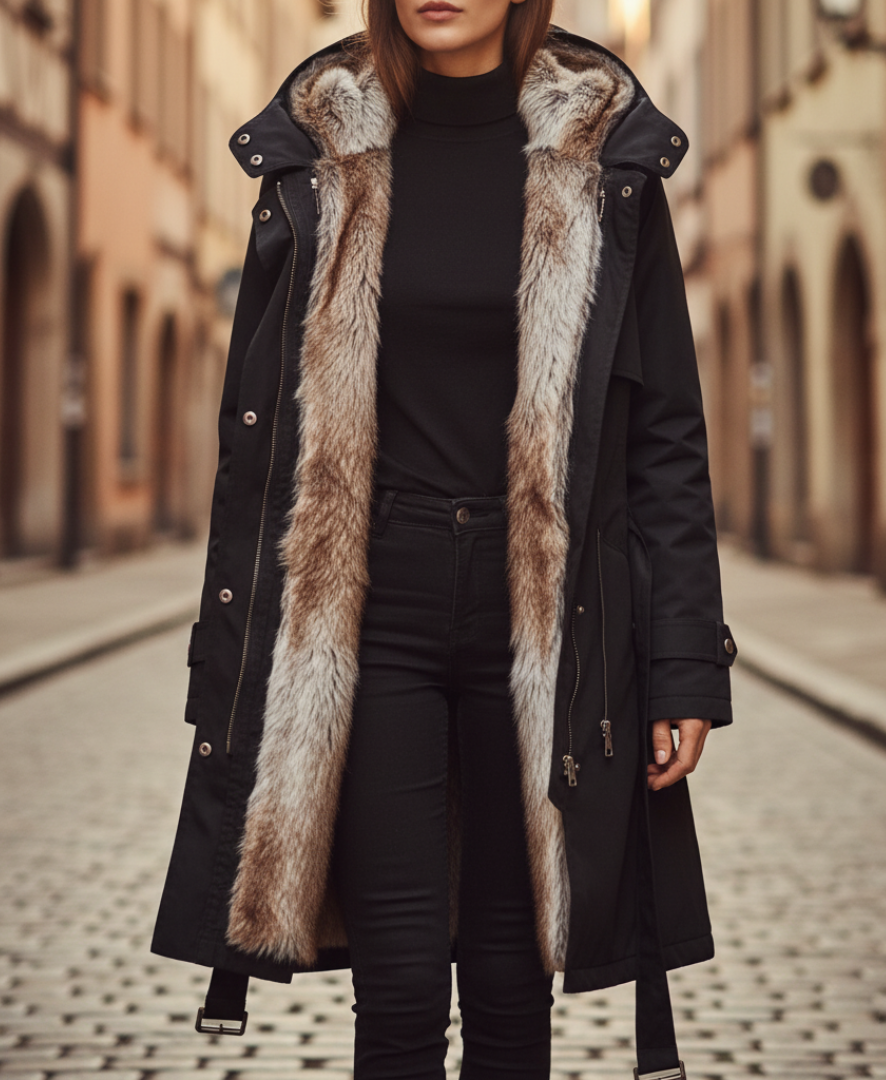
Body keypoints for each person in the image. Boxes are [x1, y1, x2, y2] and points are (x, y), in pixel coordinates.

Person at [152, 2, 737, 1078]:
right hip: (373, 608)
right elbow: (255, 451)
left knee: (516, 981)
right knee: (402, 979)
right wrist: (225, 655)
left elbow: (666, 436)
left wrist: (686, 664)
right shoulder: (320, 153)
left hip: (548, 616)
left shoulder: (603, 155)